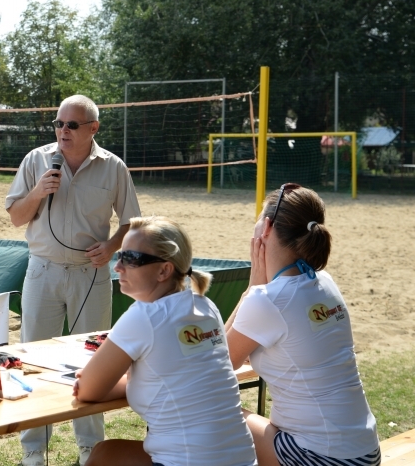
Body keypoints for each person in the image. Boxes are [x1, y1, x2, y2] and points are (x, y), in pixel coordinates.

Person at [5, 94, 141, 466]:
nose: (63, 131)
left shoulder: (113, 167)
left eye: (72, 125)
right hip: (43, 271)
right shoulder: (36, 160)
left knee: (93, 363)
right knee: (30, 359)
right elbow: (16, 217)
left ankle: (89, 450)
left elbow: (132, 221)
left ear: (93, 128)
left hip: (91, 275)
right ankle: (34, 450)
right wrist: (39, 190)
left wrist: (112, 246)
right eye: (58, 124)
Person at [74, 216, 258, 466]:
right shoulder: (206, 306)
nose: (118, 267)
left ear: (164, 270)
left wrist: (94, 381)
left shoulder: (145, 316)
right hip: (242, 459)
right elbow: (172, 376)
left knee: (103, 456)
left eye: (130, 258)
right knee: (105, 453)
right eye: (120, 256)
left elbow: (87, 391)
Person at [225, 184, 380, 466]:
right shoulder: (324, 281)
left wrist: (252, 287)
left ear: (266, 227)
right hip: (364, 452)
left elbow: (217, 364)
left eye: (259, 217)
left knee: (211, 411)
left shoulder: (268, 300)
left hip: (323, 458)